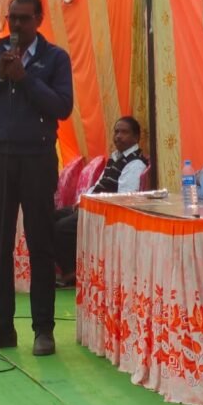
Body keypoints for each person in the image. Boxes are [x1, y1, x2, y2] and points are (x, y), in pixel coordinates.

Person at [0, 0, 74, 356]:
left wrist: (25, 79)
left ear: (39, 20)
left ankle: (44, 330)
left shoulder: (55, 58)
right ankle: (1, 328)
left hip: (37, 158)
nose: (16, 24)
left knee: (40, 243)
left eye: (24, 18)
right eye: (11, 18)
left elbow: (62, 107)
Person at [54, 117, 147, 286]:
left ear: (136, 137)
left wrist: (91, 205)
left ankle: (71, 274)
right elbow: (99, 185)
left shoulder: (135, 163)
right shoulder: (116, 157)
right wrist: (83, 200)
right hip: (93, 205)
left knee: (61, 228)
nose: (118, 136)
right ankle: (55, 269)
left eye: (124, 132)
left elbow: (123, 198)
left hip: (107, 213)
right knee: (48, 218)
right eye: (116, 132)